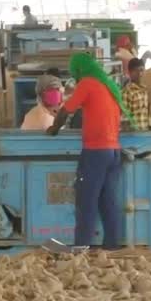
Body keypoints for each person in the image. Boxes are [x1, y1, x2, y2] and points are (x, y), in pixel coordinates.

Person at [47, 53, 132, 249]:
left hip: (96, 152)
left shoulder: (87, 83)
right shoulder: (107, 85)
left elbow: (66, 110)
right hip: (113, 152)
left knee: (86, 201)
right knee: (107, 201)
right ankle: (112, 246)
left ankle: (80, 248)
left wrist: (54, 128)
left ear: (78, 70)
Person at [122, 58, 151, 131]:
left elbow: (146, 112)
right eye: (136, 71)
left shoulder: (144, 89)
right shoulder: (127, 91)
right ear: (129, 72)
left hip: (145, 131)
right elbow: (124, 117)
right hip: (134, 135)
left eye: (141, 70)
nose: (139, 74)